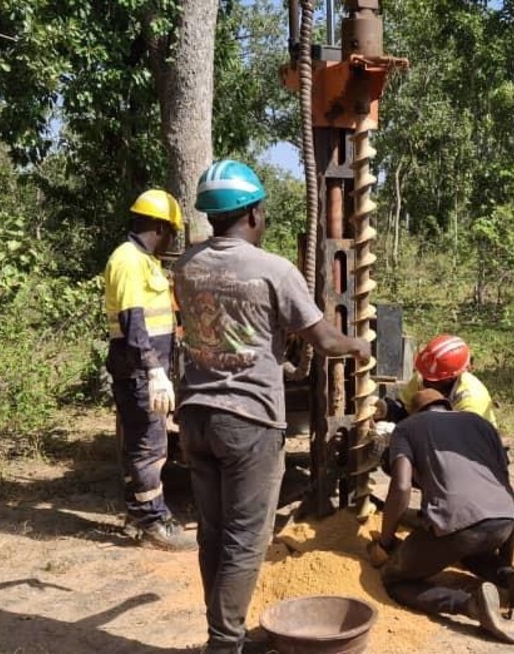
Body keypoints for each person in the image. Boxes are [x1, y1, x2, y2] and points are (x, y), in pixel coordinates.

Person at [172, 159, 371, 654]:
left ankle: (224, 633)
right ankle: (225, 644)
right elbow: (323, 339)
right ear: (254, 214)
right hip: (248, 421)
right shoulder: (273, 269)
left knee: (214, 535)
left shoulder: (186, 265)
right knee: (245, 539)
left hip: (195, 416)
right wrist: (358, 346)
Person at [368, 388, 514, 644]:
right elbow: (504, 481)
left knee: (394, 580)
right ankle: (510, 578)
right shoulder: (480, 423)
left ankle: (471, 606)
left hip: (459, 525)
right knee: (467, 549)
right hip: (503, 517)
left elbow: (401, 486)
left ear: (415, 411)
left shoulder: (408, 427)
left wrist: (386, 541)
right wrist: (505, 560)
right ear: (446, 406)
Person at [103, 188, 196, 551]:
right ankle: (155, 523)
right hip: (139, 371)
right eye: (171, 231)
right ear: (161, 226)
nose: (172, 239)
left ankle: (138, 513)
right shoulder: (128, 260)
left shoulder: (145, 261)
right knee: (150, 446)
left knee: (142, 442)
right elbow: (132, 321)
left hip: (143, 369)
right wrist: (154, 370)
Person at [378, 334, 498, 427]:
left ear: (451, 377)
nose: (425, 382)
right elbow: (405, 410)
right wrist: (386, 410)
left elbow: (458, 440)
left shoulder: (471, 398)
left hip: (472, 446)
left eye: (433, 380)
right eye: (425, 375)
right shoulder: (422, 377)